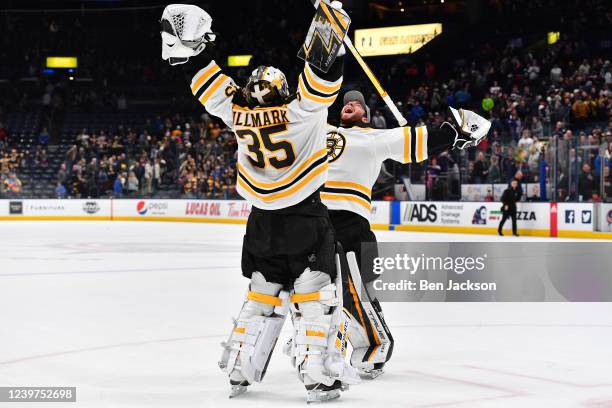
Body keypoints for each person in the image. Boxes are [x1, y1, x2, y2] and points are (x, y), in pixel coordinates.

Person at [161, 3, 357, 402]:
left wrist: (190, 46)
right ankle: (317, 375)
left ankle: (238, 370)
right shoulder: (303, 112)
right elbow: (322, 75)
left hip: (260, 226)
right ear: (282, 92)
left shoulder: (237, 113)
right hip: (305, 218)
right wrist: (329, 29)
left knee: (261, 295)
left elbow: (203, 77)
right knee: (315, 300)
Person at [322, 90, 490, 377]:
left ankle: (377, 344)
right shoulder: (321, 130)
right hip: (316, 220)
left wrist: (456, 131)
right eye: (346, 101)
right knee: (313, 289)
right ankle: (320, 342)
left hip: (350, 222)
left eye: (357, 103)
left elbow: (421, 141)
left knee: (356, 292)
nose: (349, 103)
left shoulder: (375, 138)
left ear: (366, 115)